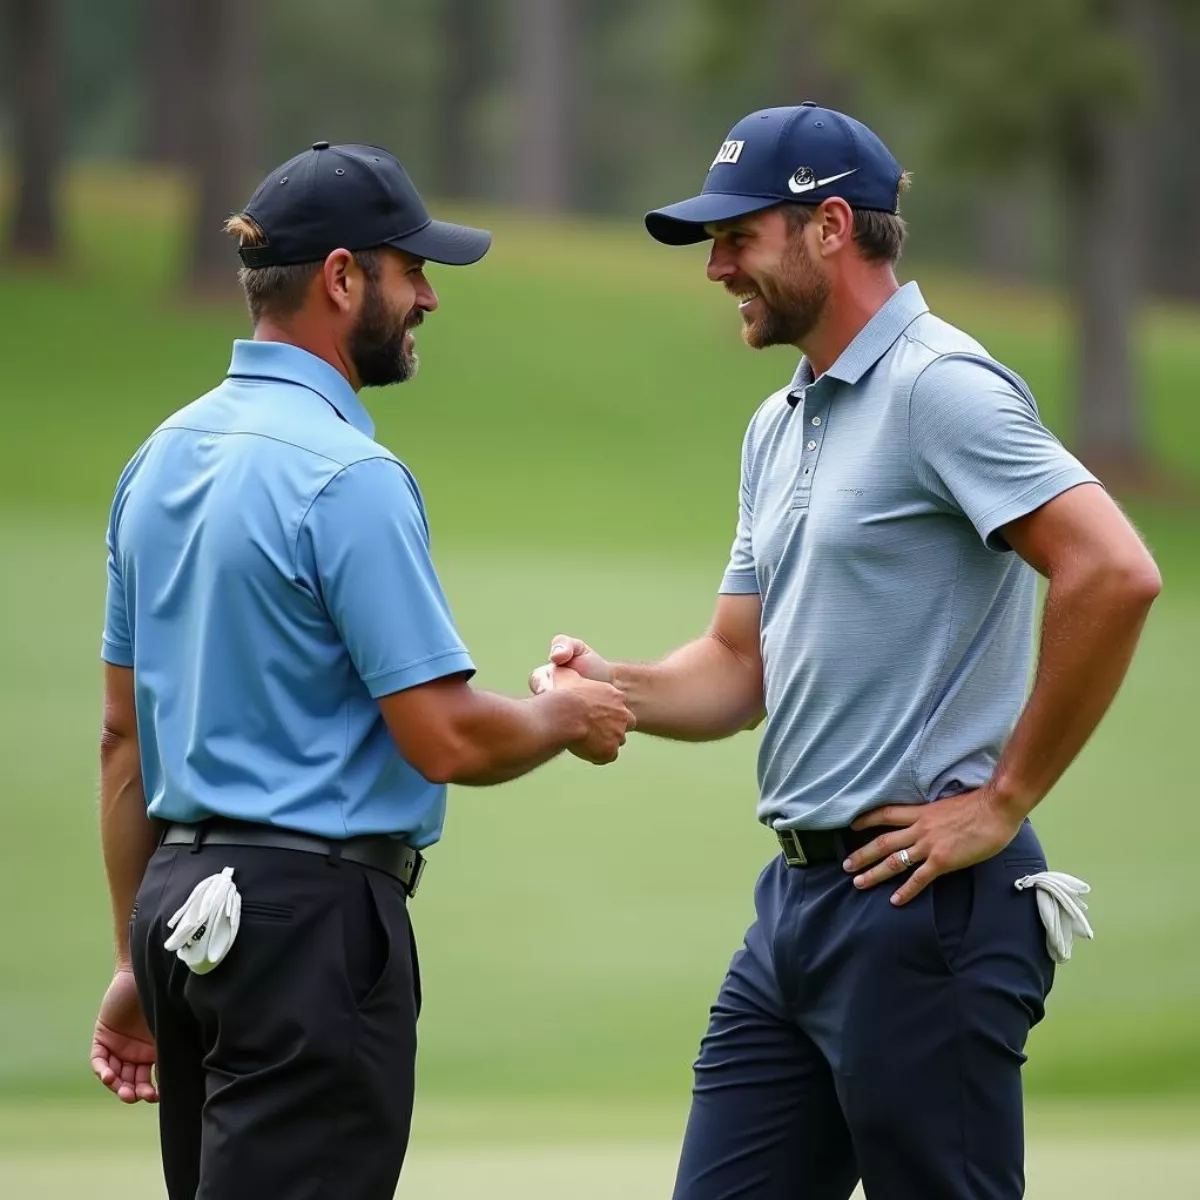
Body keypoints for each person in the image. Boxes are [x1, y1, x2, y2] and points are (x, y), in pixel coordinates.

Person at [531, 104, 1161, 1200]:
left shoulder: (940, 386)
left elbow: (1113, 571)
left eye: (739, 237)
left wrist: (1005, 799)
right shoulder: (780, 422)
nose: (717, 266)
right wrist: (612, 689)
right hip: (798, 912)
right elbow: (740, 668)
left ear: (831, 227)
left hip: (929, 911)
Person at [91, 141, 633, 1200]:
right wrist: (567, 716)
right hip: (308, 930)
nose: (428, 295)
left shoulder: (155, 460)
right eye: (409, 269)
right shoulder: (350, 476)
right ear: (343, 279)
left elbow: (123, 738)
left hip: (177, 911)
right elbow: (444, 734)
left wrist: (130, 962)